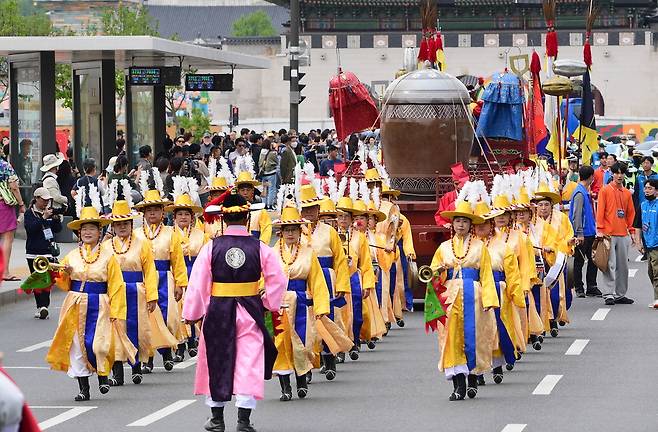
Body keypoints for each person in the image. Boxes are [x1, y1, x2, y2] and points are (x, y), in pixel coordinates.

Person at [182, 191, 287, 432]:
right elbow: (277, 279)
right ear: (247, 219)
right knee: (249, 360)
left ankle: (217, 418)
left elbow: (198, 282)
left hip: (219, 308)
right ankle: (243, 420)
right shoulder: (260, 248)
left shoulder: (212, 248)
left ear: (223, 220)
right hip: (250, 308)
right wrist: (269, 302)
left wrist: (193, 312)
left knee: (218, 358)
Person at [45, 199, 134, 401]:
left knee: (99, 344)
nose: (87, 233)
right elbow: (64, 285)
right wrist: (64, 273)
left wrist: (117, 312)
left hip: (100, 304)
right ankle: (83, 389)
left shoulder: (108, 257)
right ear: (79, 233)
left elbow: (116, 285)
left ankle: (103, 376)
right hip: (75, 304)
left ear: (99, 232)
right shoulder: (72, 256)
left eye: (92, 229)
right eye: (84, 229)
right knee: (77, 346)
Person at [431, 192, 498, 401]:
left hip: (473, 295)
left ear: (471, 224)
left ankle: (473, 380)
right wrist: (439, 271)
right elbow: (432, 273)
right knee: (452, 339)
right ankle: (458, 384)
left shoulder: (480, 247)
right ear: (452, 223)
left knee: (473, 337)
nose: (461, 225)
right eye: (457, 221)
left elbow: (486, 274)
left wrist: (489, 300)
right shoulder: (443, 248)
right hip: (449, 297)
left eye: (465, 221)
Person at [104, 195, 168, 387]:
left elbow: (149, 271)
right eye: (118, 223)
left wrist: (152, 295)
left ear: (132, 224)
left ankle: (137, 367)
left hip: (136, 291)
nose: (122, 227)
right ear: (113, 226)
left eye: (126, 223)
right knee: (115, 330)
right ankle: (117, 371)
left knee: (138, 330)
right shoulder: (106, 247)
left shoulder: (143, 245)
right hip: (114, 293)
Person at [271, 203, 330, 401]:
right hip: (278, 302)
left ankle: (302, 380)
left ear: (299, 231)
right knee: (281, 344)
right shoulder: (272, 253)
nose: (290, 234)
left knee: (303, 343)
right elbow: (264, 278)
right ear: (281, 232)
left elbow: (317, 280)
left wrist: (321, 306)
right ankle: (285, 387)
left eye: (293, 230)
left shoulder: (308, 252)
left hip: (302, 301)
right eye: (286, 230)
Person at [134, 174, 189, 373]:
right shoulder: (137, 235)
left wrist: (180, 283)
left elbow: (178, 262)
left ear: (162, 211)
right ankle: (147, 359)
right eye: (149, 210)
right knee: (146, 320)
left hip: (165, 277)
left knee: (168, 318)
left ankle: (166, 353)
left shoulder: (170, 234)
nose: (152, 214)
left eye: (156, 209)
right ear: (144, 213)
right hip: (143, 280)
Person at [298, 185, 350, 380]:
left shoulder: (329, 232)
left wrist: (342, 285)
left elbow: (340, 260)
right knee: (305, 322)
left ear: (319, 211)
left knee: (327, 319)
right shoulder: (297, 232)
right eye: (305, 209)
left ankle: (329, 359)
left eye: (312, 209)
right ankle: (307, 364)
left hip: (327, 278)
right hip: (304, 281)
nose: (309, 213)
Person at [165, 190, 207, 363]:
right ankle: (180, 347)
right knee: (177, 312)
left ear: (192, 217)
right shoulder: (169, 234)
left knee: (194, 309)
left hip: (196, 275)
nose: (183, 217)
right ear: (174, 217)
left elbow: (206, 258)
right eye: (180, 214)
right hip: (176, 275)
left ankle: (192, 341)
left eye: (186, 214)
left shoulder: (201, 235)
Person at [335, 196, 376, 360]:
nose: (343, 220)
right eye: (340, 216)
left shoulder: (359, 237)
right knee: (339, 314)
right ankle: (340, 347)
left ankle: (355, 340)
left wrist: (367, 284)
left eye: (346, 216)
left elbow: (366, 262)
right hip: (336, 278)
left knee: (357, 314)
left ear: (352, 219)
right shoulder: (332, 235)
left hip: (353, 277)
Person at [596, 162, 636, 305]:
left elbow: (631, 213)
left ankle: (620, 294)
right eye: (617, 173)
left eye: (622, 173)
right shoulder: (605, 190)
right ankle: (608, 294)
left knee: (623, 266)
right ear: (612, 174)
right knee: (609, 265)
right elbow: (600, 211)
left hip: (623, 234)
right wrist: (600, 230)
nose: (619, 175)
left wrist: (631, 231)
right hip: (608, 233)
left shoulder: (626, 193)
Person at [24, 187, 62, 319]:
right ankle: (40, 307)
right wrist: (44, 218)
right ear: (36, 198)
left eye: (48, 200)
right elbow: (31, 229)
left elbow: (57, 230)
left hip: (47, 252)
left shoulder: (49, 212)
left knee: (47, 281)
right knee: (37, 281)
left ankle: (45, 306)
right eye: (43, 200)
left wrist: (56, 219)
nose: (46, 203)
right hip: (33, 252)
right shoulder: (30, 213)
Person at [569, 166, 601, 298]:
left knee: (593, 261)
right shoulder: (579, 193)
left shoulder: (584, 191)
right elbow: (577, 214)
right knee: (579, 261)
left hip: (590, 231)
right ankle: (579, 287)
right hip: (583, 233)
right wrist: (579, 233)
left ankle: (591, 286)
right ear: (591, 177)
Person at [233, 157, 272, 244]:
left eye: (248, 190)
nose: (245, 193)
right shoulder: (232, 210)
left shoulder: (260, 211)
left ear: (252, 192)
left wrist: (260, 247)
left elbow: (266, 230)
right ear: (238, 192)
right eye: (242, 190)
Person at [0, 157, 25, 282]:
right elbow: (14, 186)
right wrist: (21, 203)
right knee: (7, 238)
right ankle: (5, 272)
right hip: (3, 205)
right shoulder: (4, 166)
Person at [638, 178, 658, 308]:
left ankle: (657, 299)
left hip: (657, 244)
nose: (647, 190)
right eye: (645, 188)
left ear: (656, 191)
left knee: (656, 272)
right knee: (650, 272)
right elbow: (638, 225)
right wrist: (638, 242)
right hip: (648, 244)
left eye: (650, 188)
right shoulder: (643, 205)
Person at [258, 139, 279, 210]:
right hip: (271, 173)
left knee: (264, 189)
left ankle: (264, 205)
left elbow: (259, 163)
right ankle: (270, 205)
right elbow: (277, 161)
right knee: (271, 189)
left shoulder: (261, 152)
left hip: (263, 174)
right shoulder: (272, 153)